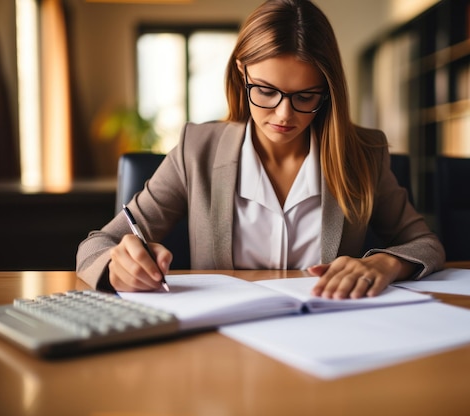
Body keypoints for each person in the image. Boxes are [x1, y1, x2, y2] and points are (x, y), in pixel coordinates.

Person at [76, 0, 445, 299]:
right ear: (242, 72)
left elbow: (424, 243)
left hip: (328, 338)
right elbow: (96, 245)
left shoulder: (363, 153)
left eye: (305, 96)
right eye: (266, 91)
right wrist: (117, 264)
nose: (284, 115)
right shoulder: (196, 150)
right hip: (224, 347)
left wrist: (384, 264)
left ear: (327, 91)